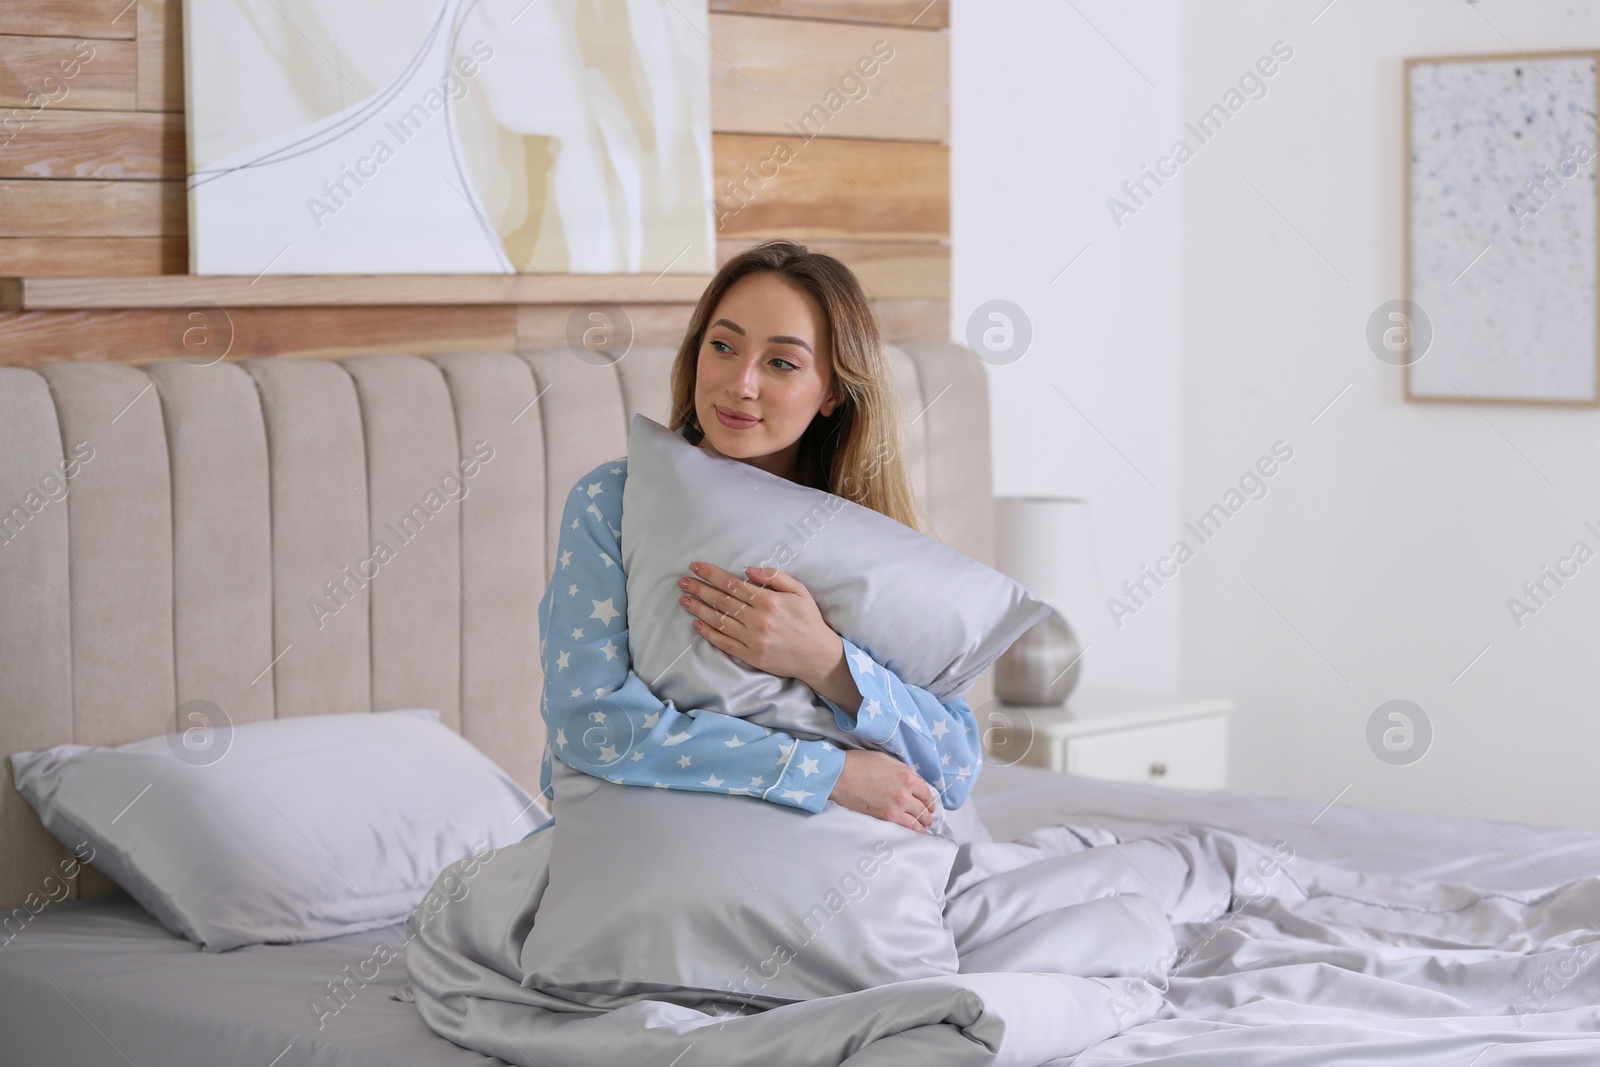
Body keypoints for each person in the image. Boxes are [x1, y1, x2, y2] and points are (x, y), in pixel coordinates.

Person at [534, 240, 984, 837]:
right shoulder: (613, 504)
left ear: (832, 392)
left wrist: (826, 662)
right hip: (651, 854)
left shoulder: (861, 538)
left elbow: (954, 765)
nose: (740, 383)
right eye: (723, 347)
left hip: (849, 866)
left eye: (781, 362)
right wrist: (825, 772)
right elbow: (589, 722)